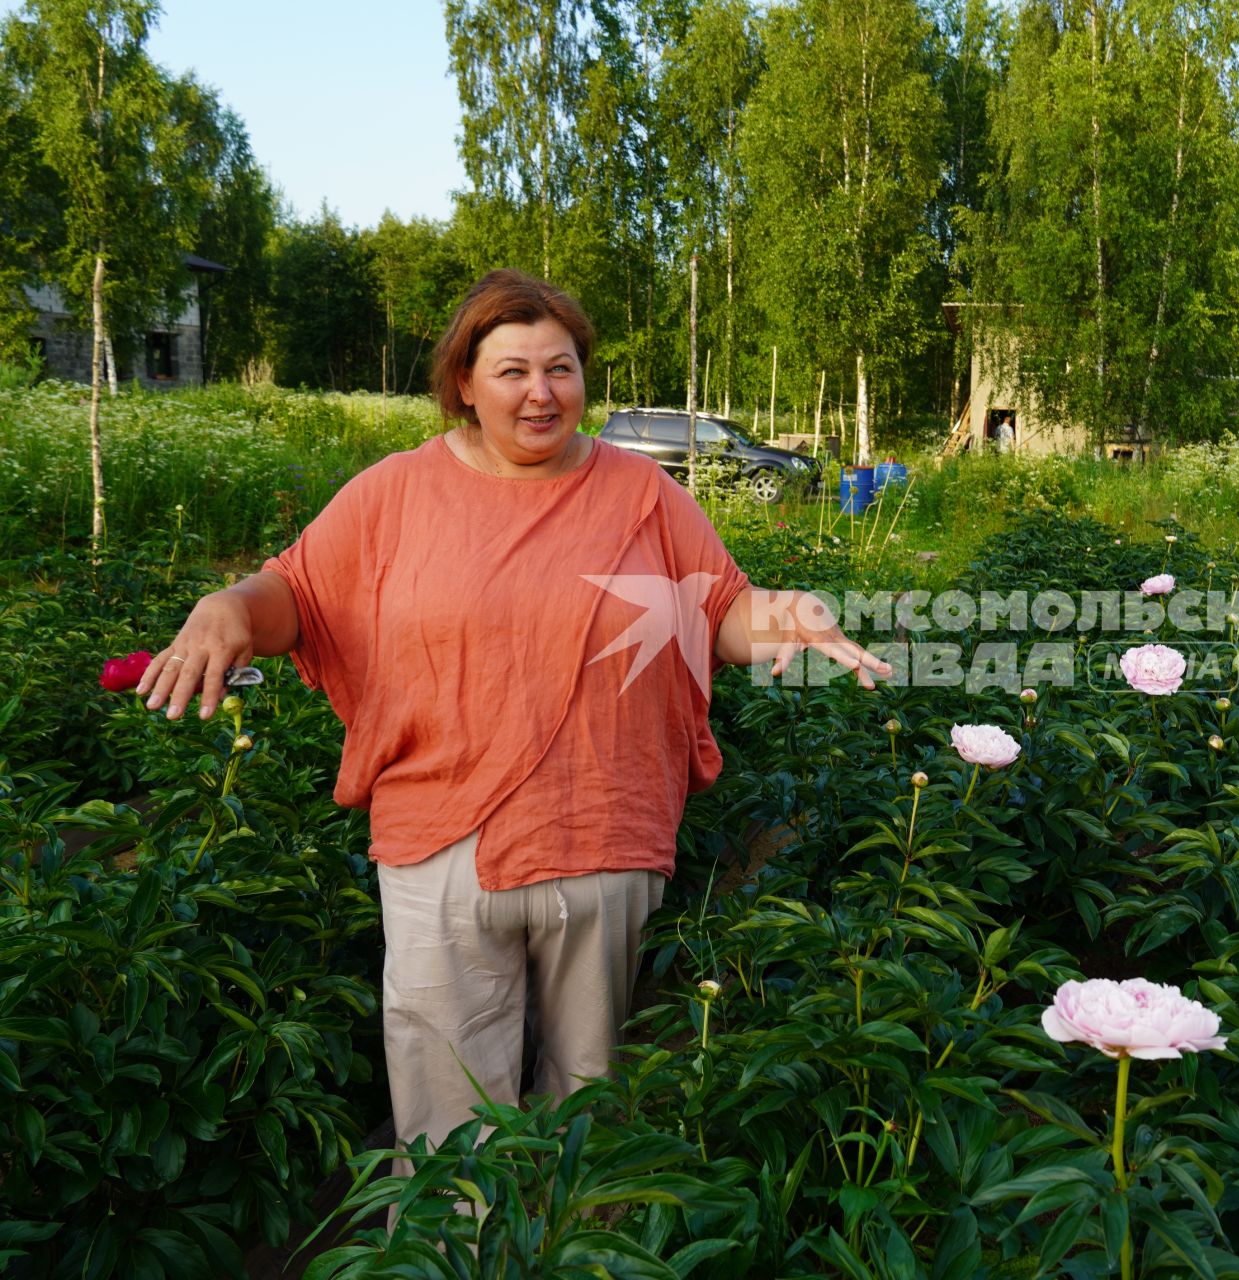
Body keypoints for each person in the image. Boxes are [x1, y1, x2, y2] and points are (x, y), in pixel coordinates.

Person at [134, 268, 890, 1182]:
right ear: (463, 381)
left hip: (601, 831)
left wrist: (783, 613)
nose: (542, 392)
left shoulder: (642, 493)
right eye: (513, 371)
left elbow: (719, 608)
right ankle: (462, 1244)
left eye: (561, 368)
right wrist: (229, 606)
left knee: (588, 1096)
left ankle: (567, 1245)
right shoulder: (393, 494)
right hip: (438, 842)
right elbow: (294, 591)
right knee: (446, 1109)